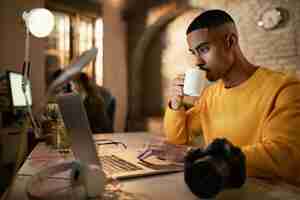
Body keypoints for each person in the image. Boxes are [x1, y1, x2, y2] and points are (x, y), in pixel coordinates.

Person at [164, 9, 300, 186]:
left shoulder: (285, 88)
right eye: (194, 53)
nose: (197, 62)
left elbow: (284, 156)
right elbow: (178, 139)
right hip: (221, 187)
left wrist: (208, 158)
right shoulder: (210, 95)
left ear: (230, 42)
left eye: (204, 49)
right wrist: (175, 104)